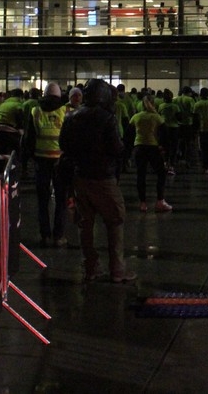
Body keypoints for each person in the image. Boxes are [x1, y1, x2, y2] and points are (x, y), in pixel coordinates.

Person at [58, 78, 136, 283]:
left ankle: (91, 268)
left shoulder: (71, 116)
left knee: (85, 224)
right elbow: (117, 148)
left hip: (80, 176)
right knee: (115, 220)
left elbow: (63, 144)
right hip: (103, 177)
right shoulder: (107, 117)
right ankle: (117, 269)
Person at [31, 83, 70, 247]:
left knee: (42, 199)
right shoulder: (65, 111)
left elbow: (29, 138)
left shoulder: (35, 111)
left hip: (41, 159)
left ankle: (45, 235)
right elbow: (69, 137)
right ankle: (58, 236)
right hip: (60, 160)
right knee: (61, 198)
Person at [130, 95, 171, 213]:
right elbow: (165, 134)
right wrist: (164, 148)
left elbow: (129, 133)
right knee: (161, 173)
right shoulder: (157, 117)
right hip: (153, 147)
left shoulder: (136, 117)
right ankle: (160, 201)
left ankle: (142, 203)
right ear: (153, 104)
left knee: (141, 175)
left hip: (139, 147)